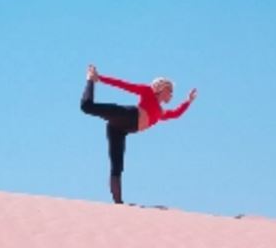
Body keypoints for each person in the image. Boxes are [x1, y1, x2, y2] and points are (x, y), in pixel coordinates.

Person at [80, 64, 197, 204]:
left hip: (120, 129)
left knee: (117, 165)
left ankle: (118, 203)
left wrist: (188, 101)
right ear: (160, 88)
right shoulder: (148, 92)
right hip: (127, 115)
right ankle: (90, 79)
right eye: (169, 90)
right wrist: (99, 78)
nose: (171, 94)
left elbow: (176, 114)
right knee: (87, 107)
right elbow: (124, 85)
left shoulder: (160, 113)